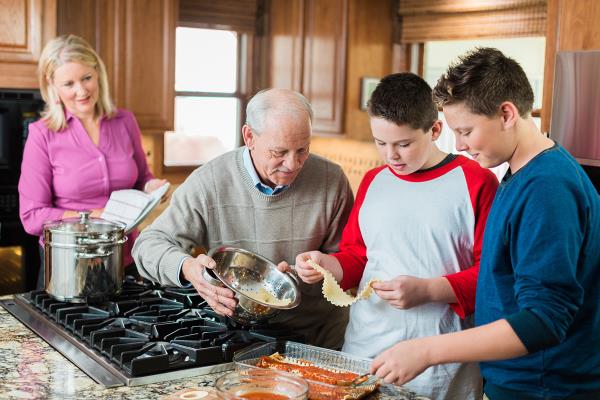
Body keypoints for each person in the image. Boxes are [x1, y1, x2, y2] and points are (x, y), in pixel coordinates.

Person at [370, 48, 600, 399]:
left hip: (543, 387)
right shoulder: (524, 174)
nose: (459, 146)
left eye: (465, 130)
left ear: (506, 113)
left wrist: (426, 350)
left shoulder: (547, 188)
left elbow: (544, 319)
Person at [293, 73, 499, 399]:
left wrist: (429, 290)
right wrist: (327, 265)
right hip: (364, 349)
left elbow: (491, 277)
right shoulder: (373, 181)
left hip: (439, 360)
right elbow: (359, 256)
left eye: (403, 144)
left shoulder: (476, 182)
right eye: (380, 143)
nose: (391, 156)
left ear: (434, 130)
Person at [132, 88, 354, 349]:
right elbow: (146, 245)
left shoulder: (331, 179)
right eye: (278, 152)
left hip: (319, 336)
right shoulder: (211, 182)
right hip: (238, 337)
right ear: (249, 136)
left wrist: (320, 268)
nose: (293, 164)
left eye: (302, 150)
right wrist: (189, 269)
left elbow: (351, 261)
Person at [18, 34, 167, 288]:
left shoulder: (125, 121)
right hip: (68, 264)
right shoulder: (42, 134)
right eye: (69, 83)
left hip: (126, 256)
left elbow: (143, 177)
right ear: (52, 86)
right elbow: (32, 216)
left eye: (87, 78)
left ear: (98, 74)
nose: (81, 91)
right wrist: (90, 216)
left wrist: (152, 187)